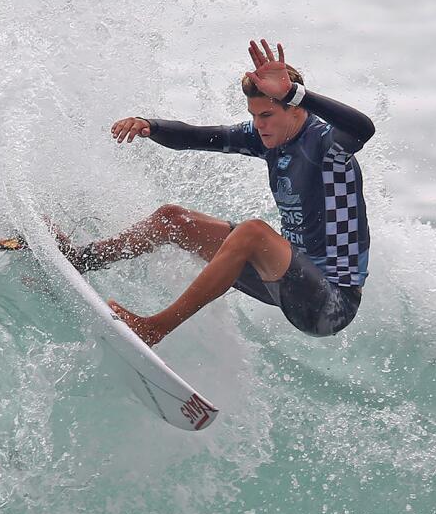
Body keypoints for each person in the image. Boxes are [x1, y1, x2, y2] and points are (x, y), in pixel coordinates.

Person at [61, 39, 375, 347]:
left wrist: (296, 93)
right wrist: (150, 125)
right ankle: (82, 259)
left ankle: (155, 328)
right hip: (287, 281)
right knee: (174, 219)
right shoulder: (266, 138)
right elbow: (196, 137)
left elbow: (363, 128)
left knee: (252, 232)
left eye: (266, 116)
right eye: (254, 115)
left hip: (331, 303)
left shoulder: (326, 145)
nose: (258, 125)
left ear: (295, 110)